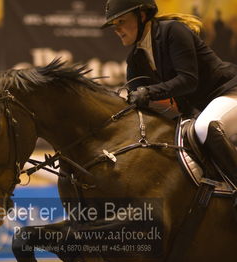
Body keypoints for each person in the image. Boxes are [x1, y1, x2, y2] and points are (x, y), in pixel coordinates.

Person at [101, 0, 237, 185]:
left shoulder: (172, 31)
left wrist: (147, 92)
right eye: (114, 25)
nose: (117, 29)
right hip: (202, 108)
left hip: (229, 92)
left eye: (121, 21)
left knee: (205, 127)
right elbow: (135, 99)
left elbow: (188, 81)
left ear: (141, 16)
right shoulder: (135, 59)